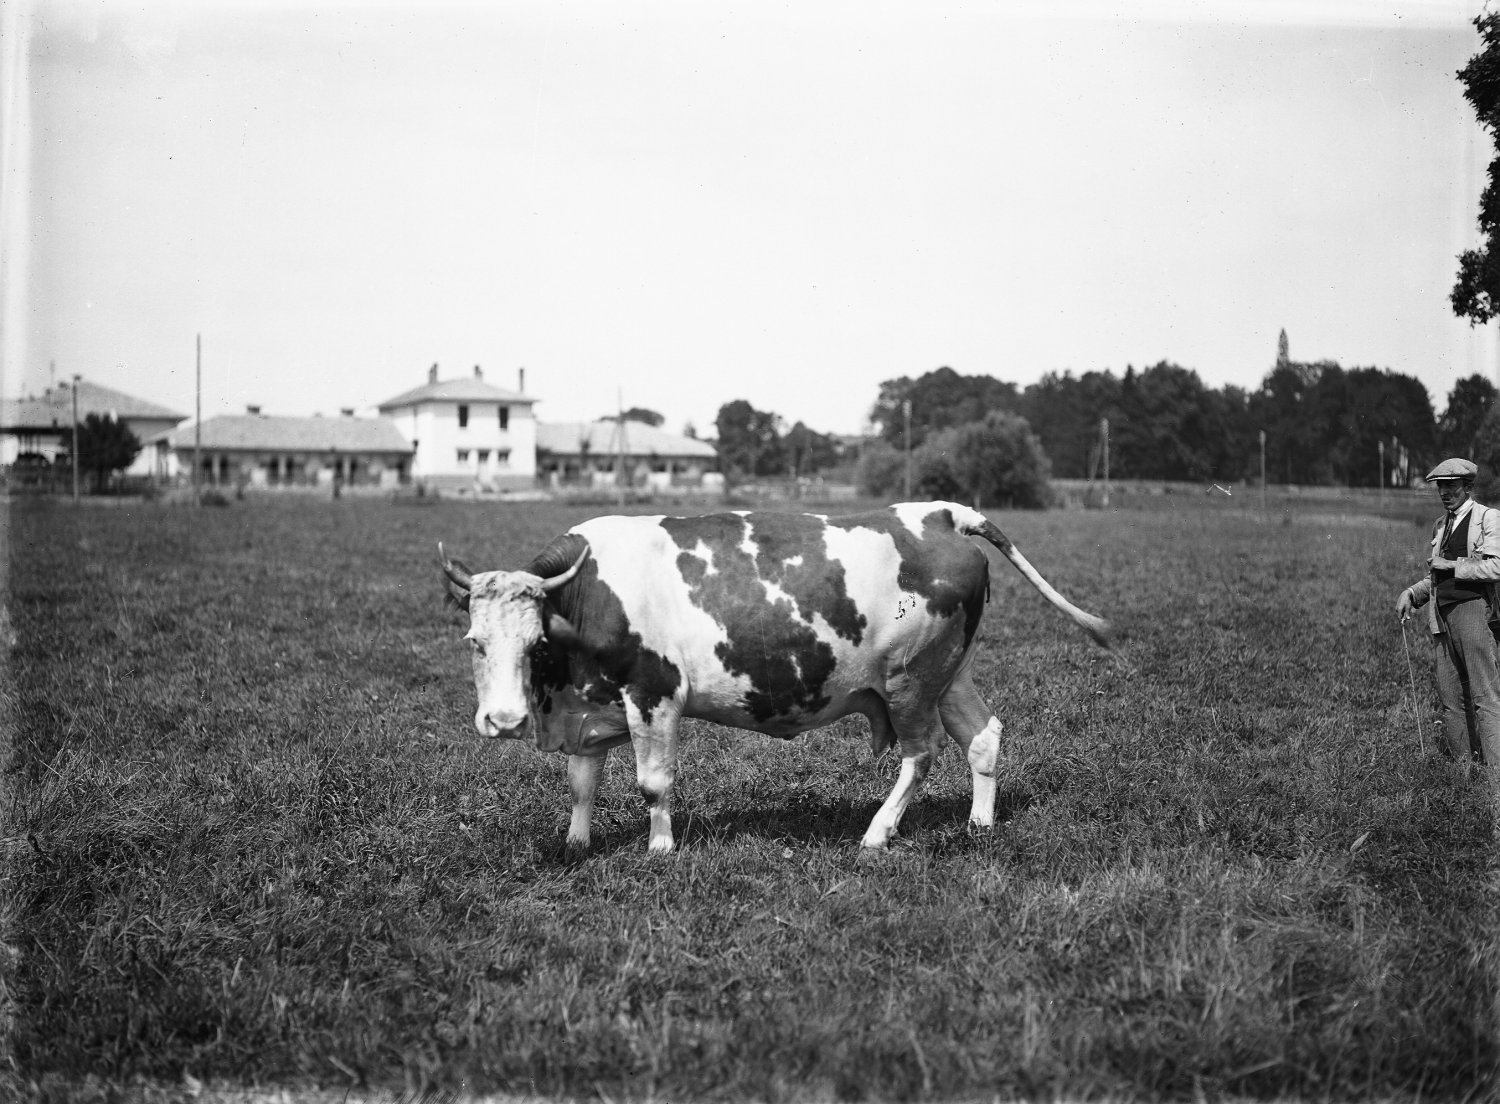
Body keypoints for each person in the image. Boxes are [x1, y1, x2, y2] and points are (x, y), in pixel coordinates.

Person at [1396, 457, 1500, 777]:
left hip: (1473, 612)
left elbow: (1496, 566)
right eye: (1441, 486)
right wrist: (1412, 593)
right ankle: (1464, 775)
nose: (1445, 492)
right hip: (1440, 619)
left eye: (1452, 486)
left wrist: (1452, 565)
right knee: (1450, 698)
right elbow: (1437, 578)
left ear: (1467, 487)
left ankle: (1496, 778)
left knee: (1484, 696)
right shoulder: (1440, 525)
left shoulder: (1488, 518)